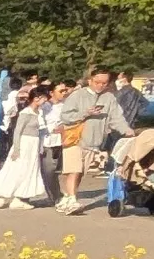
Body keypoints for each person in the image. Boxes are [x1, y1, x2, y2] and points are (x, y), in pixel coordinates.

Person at [49, 71, 132, 214]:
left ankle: (67, 198)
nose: (100, 85)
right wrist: (85, 113)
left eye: (104, 83)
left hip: (93, 142)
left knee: (80, 172)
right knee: (74, 170)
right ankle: (72, 200)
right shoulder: (77, 95)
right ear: (90, 81)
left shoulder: (109, 98)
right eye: (97, 82)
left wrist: (126, 130)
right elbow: (66, 116)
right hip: (75, 138)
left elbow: (116, 118)